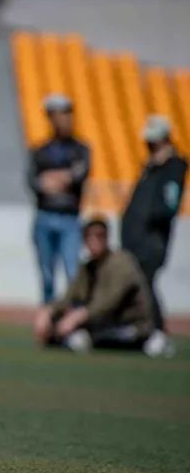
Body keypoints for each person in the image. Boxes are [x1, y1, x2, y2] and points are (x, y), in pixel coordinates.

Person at [32, 216, 155, 355]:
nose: (94, 240)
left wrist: (78, 317)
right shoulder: (88, 267)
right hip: (104, 323)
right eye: (89, 236)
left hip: (130, 324)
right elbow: (69, 297)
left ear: (107, 238)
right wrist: (48, 311)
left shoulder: (121, 263)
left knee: (86, 338)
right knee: (57, 331)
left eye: (99, 236)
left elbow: (108, 302)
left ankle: (153, 342)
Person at [119, 115, 186, 351]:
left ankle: (158, 332)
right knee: (138, 284)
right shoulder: (150, 167)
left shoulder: (173, 167)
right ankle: (142, 329)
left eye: (154, 142)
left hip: (152, 240)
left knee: (146, 283)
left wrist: (147, 223)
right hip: (136, 239)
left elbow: (168, 205)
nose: (149, 147)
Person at [27, 94, 90, 304]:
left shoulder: (81, 149)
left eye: (64, 114)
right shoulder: (40, 150)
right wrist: (63, 178)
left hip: (69, 219)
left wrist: (55, 179)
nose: (61, 120)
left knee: (72, 273)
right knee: (47, 276)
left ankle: (72, 321)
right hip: (44, 216)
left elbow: (78, 175)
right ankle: (49, 320)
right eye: (55, 115)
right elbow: (34, 181)